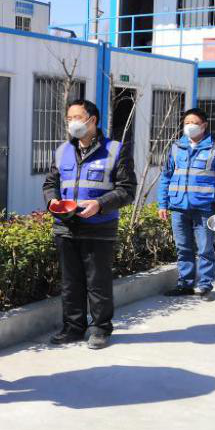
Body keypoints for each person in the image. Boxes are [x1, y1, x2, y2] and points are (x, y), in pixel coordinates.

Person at [42, 99, 137, 350]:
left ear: (92, 120)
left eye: (77, 117)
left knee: (98, 282)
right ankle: (73, 327)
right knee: (70, 282)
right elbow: (50, 183)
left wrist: (100, 204)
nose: (72, 123)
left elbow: (127, 190)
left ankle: (100, 329)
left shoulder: (115, 150)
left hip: (99, 227)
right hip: (66, 225)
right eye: (69, 118)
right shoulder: (62, 151)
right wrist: (52, 201)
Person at [157, 108, 215, 301]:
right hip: (178, 206)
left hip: (204, 207)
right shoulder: (176, 147)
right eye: (186, 123)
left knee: (205, 249)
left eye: (194, 123)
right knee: (183, 248)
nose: (190, 126)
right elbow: (166, 176)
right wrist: (162, 204)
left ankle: (205, 285)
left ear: (204, 125)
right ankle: (185, 283)